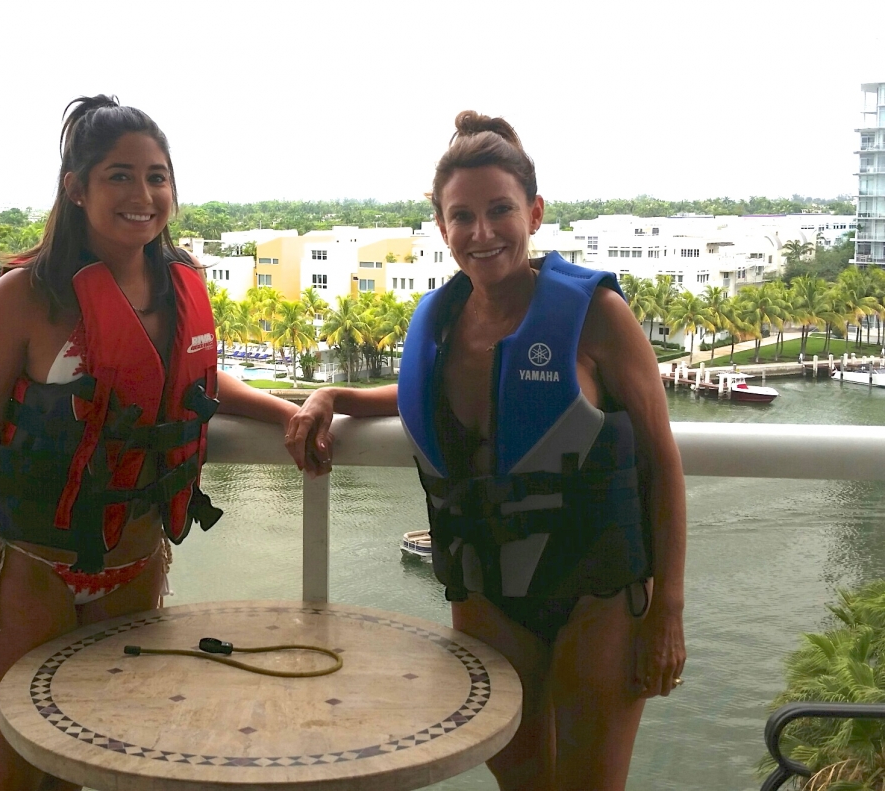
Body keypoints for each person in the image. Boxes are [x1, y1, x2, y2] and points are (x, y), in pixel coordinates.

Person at [285, 111, 686, 791]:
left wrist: (668, 611)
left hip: (599, 591)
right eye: (461, 217)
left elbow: (661, 463)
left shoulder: (595, 313)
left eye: (500, 210)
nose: (482, 233)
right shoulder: (440, 323)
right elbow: (426, 401)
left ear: (533, 211)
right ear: (441, 228)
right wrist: (330, 398)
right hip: (487, 593)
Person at [0, 96, 298, 791]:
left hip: (137, 565)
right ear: (76, 188)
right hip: (29, 569)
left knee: (88, 773)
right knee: (7, 777)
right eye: (119, 175)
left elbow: (190, 380)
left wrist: (284, 411)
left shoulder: (180, 288)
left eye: (157, 176)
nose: (142, 195)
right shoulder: (23, 299)